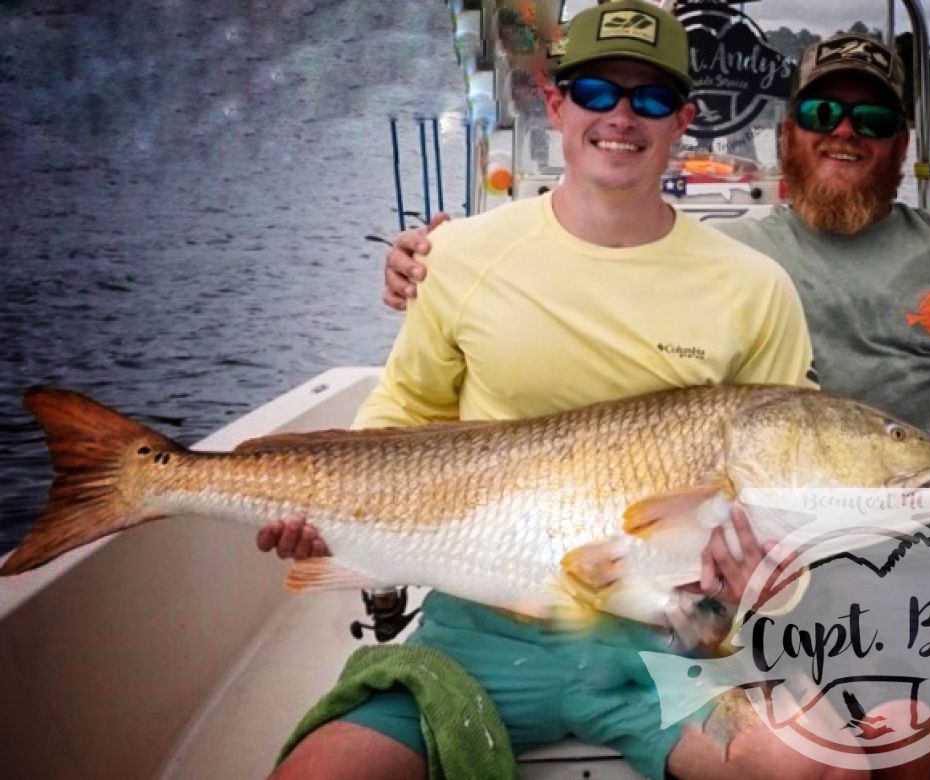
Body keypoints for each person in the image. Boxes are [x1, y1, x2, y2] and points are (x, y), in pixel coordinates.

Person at [382, 29, 930, 775]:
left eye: (873, 120)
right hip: (818, 550)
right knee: (892, 698)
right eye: (821, 112)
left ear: (904, 141)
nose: (845, 132)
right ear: (788, 134)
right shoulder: (734, 256)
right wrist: (434, 258)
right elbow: (600, 259)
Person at [262, 3, 865, 778]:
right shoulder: (460, 254)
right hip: (475, 632)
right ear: (555, 102)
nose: (621, 116)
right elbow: (401, 417)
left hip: (665, 641)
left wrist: (768, 581)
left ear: (683, 118)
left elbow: (784, 490)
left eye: (649, 99)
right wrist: (330, 518)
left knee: (816, 764)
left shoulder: (755, 287)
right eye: (596, 92)